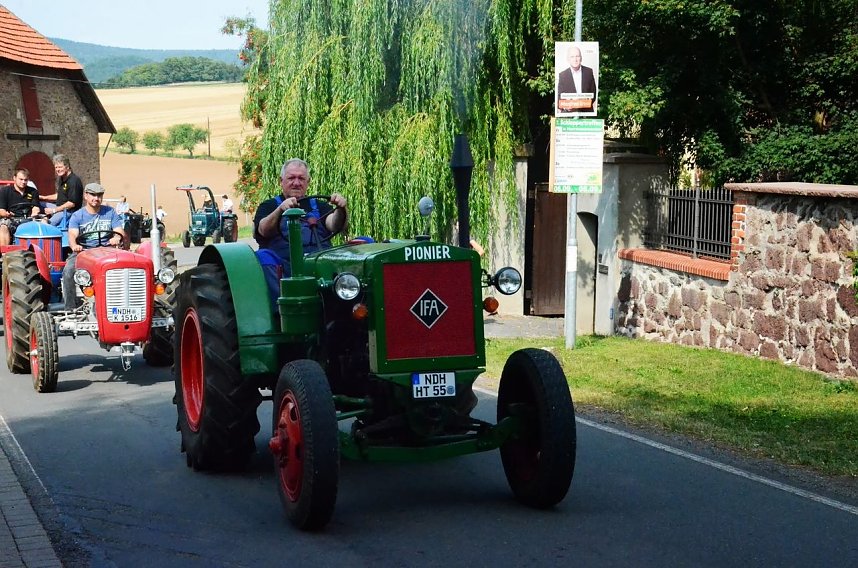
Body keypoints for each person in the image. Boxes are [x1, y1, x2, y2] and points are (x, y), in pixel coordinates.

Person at [254, 159, 347, 302]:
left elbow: (335, 225)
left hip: (321, 261)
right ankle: (281, 309)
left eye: (301, 178)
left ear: (308, 182)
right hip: (285, 266)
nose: (296, 183)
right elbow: (263, 229)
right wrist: (280, 209)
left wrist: (341, 208)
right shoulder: (269, 206)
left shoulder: (319, 206)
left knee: (365, 243)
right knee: (263, 257)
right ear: (281, 181)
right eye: (291, 178)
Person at [62, 183, 126, 310]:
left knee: (126, 268)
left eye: (99, 195)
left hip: (107, 251)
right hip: (84, 252)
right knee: (68, 271)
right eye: (93, 195)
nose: (96, 198)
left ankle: (122, 304)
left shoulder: (110, 212)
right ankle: (70, 308)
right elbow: (72, 235)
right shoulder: (78, 215)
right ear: (86, 196)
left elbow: (119, 231)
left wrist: (117, 238)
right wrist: (75, 245)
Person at [0, 168, 41, 246]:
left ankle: (42, 250)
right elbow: (1, 210)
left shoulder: (33, 191)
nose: (23, 182)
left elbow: (36, 207)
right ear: (14, 178)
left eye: (25, 180)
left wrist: (35, 212)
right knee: (3, 226)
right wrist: (6, 214)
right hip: (12, 219)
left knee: (44, 222)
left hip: (29, 219)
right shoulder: (5, 191)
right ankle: (4, 253)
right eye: (21, 179)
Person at [44, 154, 84, 226]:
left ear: (67, 167)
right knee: (40, 204)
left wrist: (54, 210)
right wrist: (43, 197)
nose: (58, 170)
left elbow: (71, 204)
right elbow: (60, 195)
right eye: (56, 167)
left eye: (60, 167)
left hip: (68, 212)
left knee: (46, 225)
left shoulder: (74, 181)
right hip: (59, 207)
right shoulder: (62, 178)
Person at [556, 44, 597, 114]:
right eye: (572, 57)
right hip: (569, 115)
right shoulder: (562, 75)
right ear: (568, 59)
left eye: (577, 56)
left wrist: (583, 103)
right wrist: (566, 106)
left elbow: (593, 93)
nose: (575, 59)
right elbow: (560, 97)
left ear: (581, 58)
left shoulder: (589, 72)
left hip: (586, 114)